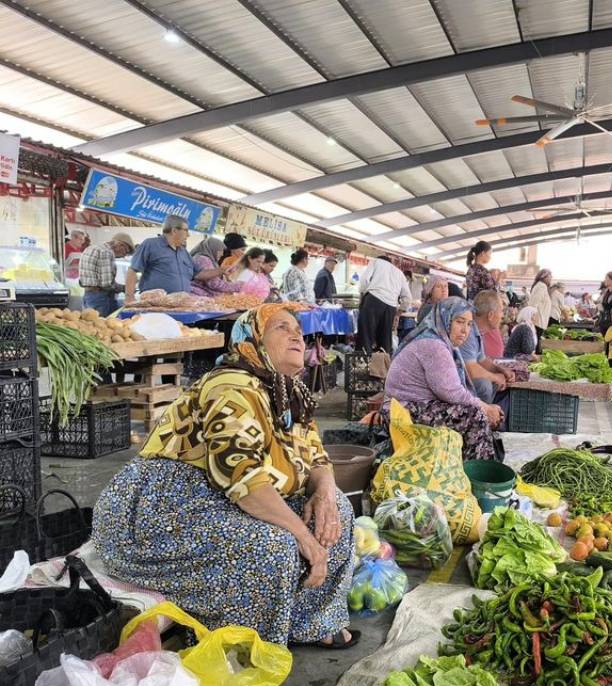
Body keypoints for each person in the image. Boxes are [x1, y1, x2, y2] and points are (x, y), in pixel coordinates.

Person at [91, 303, 358, 650]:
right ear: (252, 340)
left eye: (298, 330)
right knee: (270, 546)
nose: (296, 335)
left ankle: (309, 622)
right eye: (280, 327)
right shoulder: (231, 384)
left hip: (220, 502)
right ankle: (236, 654)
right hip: (159, 511)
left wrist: (323, 495)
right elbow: (243, 480)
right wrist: (305, 540)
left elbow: (317, 458)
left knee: (337, 508)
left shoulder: (288, 393)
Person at [383, 297, 503, 461]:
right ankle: (477, 475)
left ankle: (463, 467)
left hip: (414, 405)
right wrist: (486, 408)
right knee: (475, 416)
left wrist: (485, 407)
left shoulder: (440, 341)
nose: (465, 330)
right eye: (460, 322)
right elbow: (452, 393)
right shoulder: (434, 345)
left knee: (475, 410)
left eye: (469, 324)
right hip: (402, 411)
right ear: (445, 319)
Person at [126, 215, 221, 301]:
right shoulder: (150, 244)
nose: (188, 235)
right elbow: (133, 270)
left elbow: (198, 274)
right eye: (186, 230)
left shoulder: (183, 252)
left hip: (181, 305)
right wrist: (129, 297)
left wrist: (222, 270)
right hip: (156, 305)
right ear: (174, 230)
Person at [459, 290, 514, 403]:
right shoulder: (468, 332)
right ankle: (484, 416)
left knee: (496, 381)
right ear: (490, 315)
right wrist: (495, 377)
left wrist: (501, 370)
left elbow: (482, 360)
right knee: (484, 385)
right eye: (501, 311)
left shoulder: (477, 331)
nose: (502, 316)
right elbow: (471, 369)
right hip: (453, 381)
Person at [356, 254, 411, 355]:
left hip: (373, 300)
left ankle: (362, 369)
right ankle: (382, 368)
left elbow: (364, 280)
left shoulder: (376, 261)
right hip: (391, 307)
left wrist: (362, 297)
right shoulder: (399, 273)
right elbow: (407, 298)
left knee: (365, 338)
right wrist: (398, 314)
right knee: (385, 341)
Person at [78, 233, 134, 315]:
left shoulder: (93, 247)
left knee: (91, 323)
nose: (124, 255)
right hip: (100, 297)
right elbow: (106, 284)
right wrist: (124, 288)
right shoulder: (106, 252)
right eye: (126, 251)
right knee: (103, 324)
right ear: (120, 245)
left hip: (88, 295)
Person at [527, 269, 553, 351]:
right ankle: (534, 362)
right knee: (536, 344)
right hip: (538, 320)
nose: (551, 279)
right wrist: (532, 318)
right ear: (544, 277)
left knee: (536, 342)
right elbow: (533, 303)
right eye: (550, 277)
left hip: (540, 320)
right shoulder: (541, 286)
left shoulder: (541, 286)